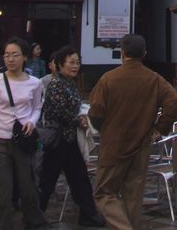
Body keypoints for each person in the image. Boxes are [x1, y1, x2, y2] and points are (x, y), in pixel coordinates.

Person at [88, 34, 177, 229]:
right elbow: (174, 102)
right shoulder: (154, 79)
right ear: (144, 53)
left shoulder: (108, 79)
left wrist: (103, 129)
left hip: (113, 144)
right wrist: (159, 129)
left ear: (122, 53)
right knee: (133, 196)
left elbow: (95, 112)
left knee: (104, 192)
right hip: (141, 143)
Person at [0, 37, 47, 229]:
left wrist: (31, 121)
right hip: (0, 141)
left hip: (23, 142)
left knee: (28, 185)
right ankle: (3, 224)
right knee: (2, 189)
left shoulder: (35, 83)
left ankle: (33, 221)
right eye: (7, 55)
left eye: (15, 55)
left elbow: (37, 108)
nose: (10, 59)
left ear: (24, 57)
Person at [38, 46, 104, 226]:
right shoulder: (56, 84)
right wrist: (78, 120)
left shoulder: (70, 83)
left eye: (77, 62)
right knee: (47, 181)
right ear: (60, 64)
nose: (75, 66)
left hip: (70, 139)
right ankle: (35, 217)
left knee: (80, 178)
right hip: (58, 139)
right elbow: (56, 111)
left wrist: (81, 117)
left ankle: (88, 216)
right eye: (71, 62)